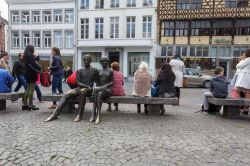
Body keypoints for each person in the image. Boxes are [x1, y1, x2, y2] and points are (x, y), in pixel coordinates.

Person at [45, 54, 98, 122]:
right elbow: (78, 83)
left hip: (88, 90)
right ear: (83, 61)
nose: (86, 61)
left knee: (83, 91)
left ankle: (80, 115)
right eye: (85, 60)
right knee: (66, 94)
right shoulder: (80, 70)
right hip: (80, 88)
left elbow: (97, 82)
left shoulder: (95, 70)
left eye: (88, 60)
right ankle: (55, 114)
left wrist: (94, 89)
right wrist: (86, 86)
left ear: (91, 61)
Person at [90, 57, 113, 124]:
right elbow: (97, 82)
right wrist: (98, 87)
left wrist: (103, 87)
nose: (104, 62)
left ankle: (98, 114)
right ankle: (93, 112)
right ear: (101, 62)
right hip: (99, 89)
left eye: (106, 61)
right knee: (97, 93)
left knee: (98, 93)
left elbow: (112, 82)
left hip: (108, 90)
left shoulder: (110, 71)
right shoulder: (98, 71)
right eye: (103, 61)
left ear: (108, 62)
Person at [22, 45, 41, 111]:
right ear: (31, 49)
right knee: (31, 89)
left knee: (27, 89)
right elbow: (34, 63)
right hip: (31, 74)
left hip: (27, 73)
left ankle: (24, 105)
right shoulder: (30, 54)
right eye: (33, 48)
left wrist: (36, 57)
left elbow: (31, 62)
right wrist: (39, 67)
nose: (34, 49)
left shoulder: (25, 55)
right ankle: (30, 105)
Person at [235, 49, 250, 115]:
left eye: (244, 53)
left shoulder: (247, 59)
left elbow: (238, 66)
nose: (243, 54)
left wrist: (242, 59)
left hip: (244, 77)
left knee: (245, 92)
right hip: (245, 77)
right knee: (244, 92)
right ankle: (244, 108)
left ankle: (244, 108)